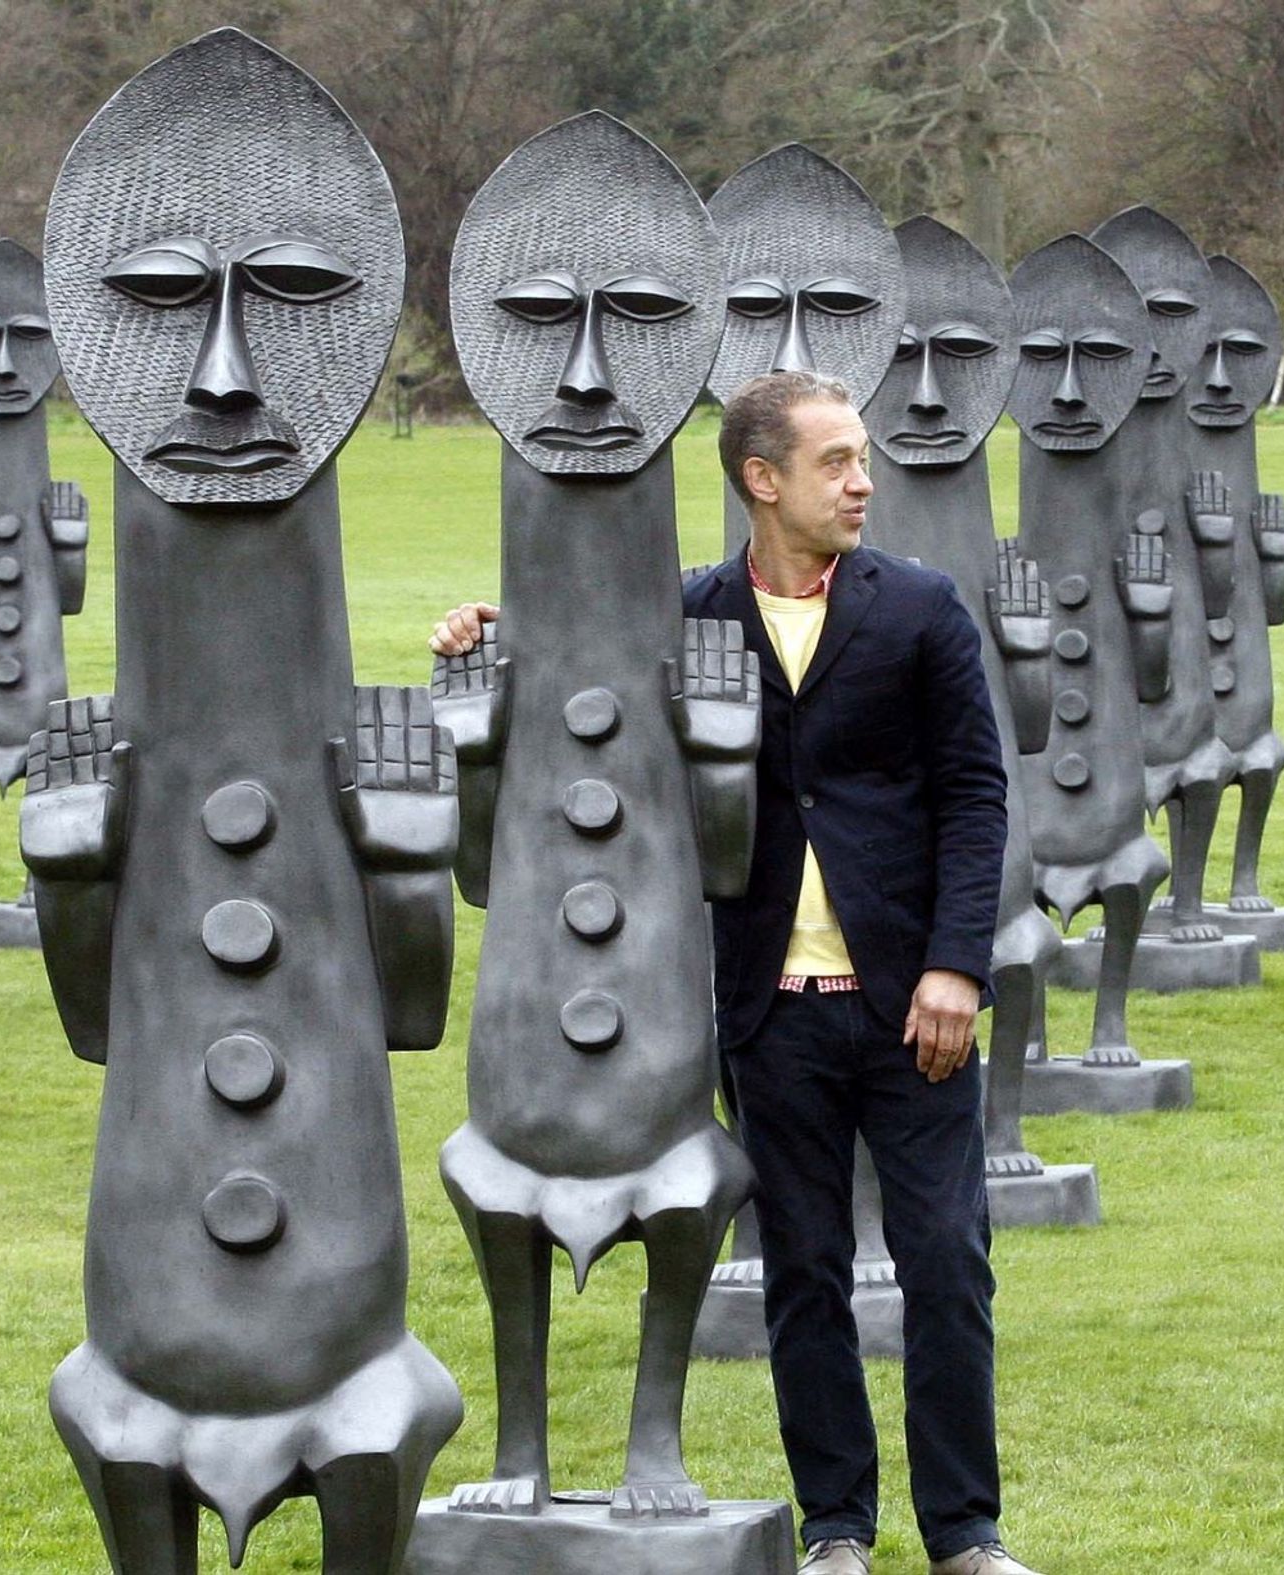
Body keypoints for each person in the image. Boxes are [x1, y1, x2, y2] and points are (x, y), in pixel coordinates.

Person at [429, 370, 1039, 1575]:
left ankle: (966, 1536)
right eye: (835, 462)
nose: (863, 482)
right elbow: (581, 668)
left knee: (946, 1266)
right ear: (763, 479)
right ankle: (837, 1530)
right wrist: (490, 636)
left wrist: (956, 968)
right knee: (803, 1275)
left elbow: (977, 797)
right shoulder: (687, 617)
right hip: (768, 1013)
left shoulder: (920, 610)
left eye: (862, 458)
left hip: (913, 1007)